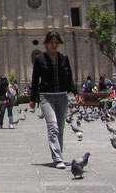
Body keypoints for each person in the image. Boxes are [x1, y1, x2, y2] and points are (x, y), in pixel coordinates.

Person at [29, 31, 80, 170]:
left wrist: (76, 92)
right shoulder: (40, 59)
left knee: (61, 128)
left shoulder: (64, 58)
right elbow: (35, 80)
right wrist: (32, 99)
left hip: (62, 96)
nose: (54, 44)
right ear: (46, 43)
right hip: (46, 96)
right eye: (51, 42)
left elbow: (69, 77)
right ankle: (57, 158)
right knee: (53, 126)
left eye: (56, 42)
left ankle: (59, 154)